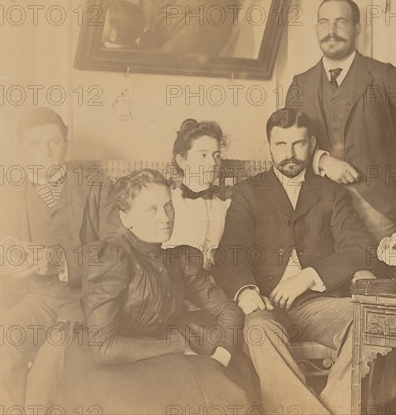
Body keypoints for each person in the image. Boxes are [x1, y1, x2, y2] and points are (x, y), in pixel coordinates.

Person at [213, 108, 389, 415]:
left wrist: (310, 275)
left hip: (317, 302)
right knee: (257, 332)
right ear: (269, 146)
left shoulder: (331, 192)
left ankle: (334, 406)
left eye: (298, 144)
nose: (290, 154)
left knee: (372, 318)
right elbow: (230, 254)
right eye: (280, 145)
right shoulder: (247, 192)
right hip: (265, 304)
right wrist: (245, 291)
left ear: (312, 144)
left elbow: (362, 247)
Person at [56, 169, 256, 413]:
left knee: (229, 388)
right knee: (214, 393)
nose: (165, 217)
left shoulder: (178, 259)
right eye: (152, 209)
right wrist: (177, 347)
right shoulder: (112, 257)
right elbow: (104, 347)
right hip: (116, 368)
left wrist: (223, 352)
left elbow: (227, 308)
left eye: (167, 206)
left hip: (164, 357)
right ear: (126, 218)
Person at [0, 107, 121, 409]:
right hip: (35, 297)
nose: (46, 151)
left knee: (54, 354)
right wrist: (6, 265)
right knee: (2, 343)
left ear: (65, 142)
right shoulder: (5, 196)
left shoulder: (96, 185)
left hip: (85, 296)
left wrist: (61, 261)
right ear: (21, 148)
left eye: (54, 142)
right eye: (35, 144)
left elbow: (117, 251)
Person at [286, 0, 396, 245]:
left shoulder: (381, 74)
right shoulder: (301, 84)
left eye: (341, 22)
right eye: (324, 22)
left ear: (357, 29)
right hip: (321, 212)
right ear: (316, 29)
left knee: (381, 280)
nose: (331, 31)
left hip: (379, 211)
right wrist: (322, 161)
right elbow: (287, 144)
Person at [165, 119, 230, 269]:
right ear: (182, 161)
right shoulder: (169, 203)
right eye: (203, 155)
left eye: (217, 155)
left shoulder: (225, 207)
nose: (213, 163)